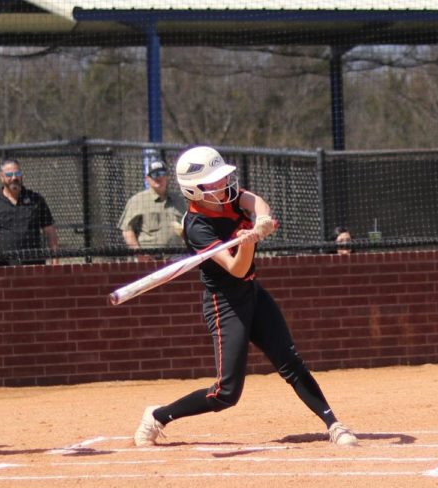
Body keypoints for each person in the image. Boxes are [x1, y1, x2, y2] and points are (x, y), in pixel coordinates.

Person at [132, 146, 358, 448]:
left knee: (289, 361)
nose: (222, 185)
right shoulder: (196, 226)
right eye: (212, 182)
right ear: (194, 191)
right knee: (226, 393)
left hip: (252, 292)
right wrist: (248, 241)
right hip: (225, 303)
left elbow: (257, 202)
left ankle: (334, 424)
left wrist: (261, 220)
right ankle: (158, 416)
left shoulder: (228, 197)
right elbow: (236, 268)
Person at [0, 158, 58, 262]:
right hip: (2, 267)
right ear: (1, 177)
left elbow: (50, 231)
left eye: (18, 173)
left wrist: (55, 262)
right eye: (9, 175)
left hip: (33, 266)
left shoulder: (36, 200)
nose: (14, 177)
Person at [118, 159, 185, 260]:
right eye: (154, 174)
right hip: (149, 259)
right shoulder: (138, 200)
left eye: (162, 173)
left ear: (167, 177)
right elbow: (127, 230)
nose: (158, 177)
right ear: (147, 178)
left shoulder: (179, 201)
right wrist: (139, 253)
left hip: (177, 258)